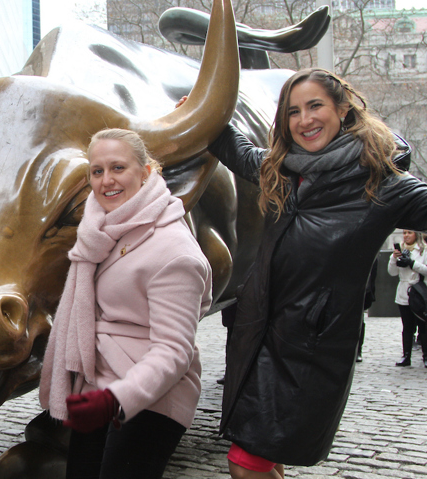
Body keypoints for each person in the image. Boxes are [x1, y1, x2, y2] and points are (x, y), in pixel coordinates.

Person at [205, 68, 427, 478]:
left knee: (246, 461)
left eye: (315, 106)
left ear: (342, 109)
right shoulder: (285, 170)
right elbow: (241, 153)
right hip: (258, 335)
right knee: (262, 455)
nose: (304, 120)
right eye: (293, 112)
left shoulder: (385, 184)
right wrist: (203, 116)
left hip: (312, 348)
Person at [39, 128, 213, 479]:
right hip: (98, 385)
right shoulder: (98, 229)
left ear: (147, 171)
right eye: (97, 171)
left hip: (150, 396)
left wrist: (114, 400)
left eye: (118, 168)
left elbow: (174, 352)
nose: (106, 181)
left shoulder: (174, 251)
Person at [388, 230, 427, 367]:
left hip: (419, 292)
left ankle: (426, 356)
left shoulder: (423, 250)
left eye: (409, 232)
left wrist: (412, 263)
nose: (406, 235)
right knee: (407, 326)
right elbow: (392, 272)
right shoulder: (401, 250)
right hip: (404, 292)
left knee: (423, 325)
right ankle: (406, 356)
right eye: (404, 233)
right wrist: (394, 258)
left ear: (416, 234)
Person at [357, 256, 378, 363]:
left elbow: (372, 274)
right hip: (348, 289)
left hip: (363, 290)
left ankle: (358, 350)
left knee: (360, 321)